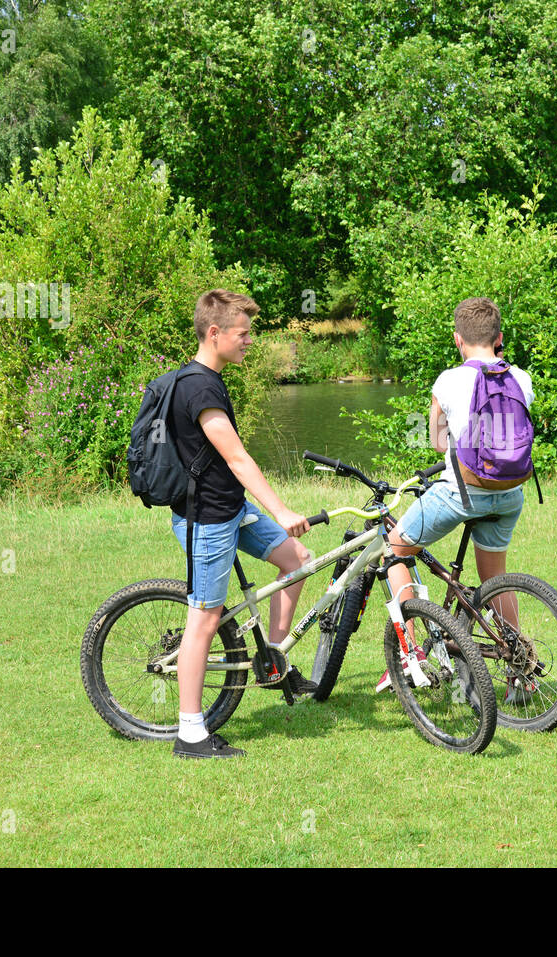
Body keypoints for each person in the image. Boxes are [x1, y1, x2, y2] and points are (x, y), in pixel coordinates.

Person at [167, 289, 316, 759]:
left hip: (231, 509)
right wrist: (283, 510)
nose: (250, 341)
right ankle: (190, 733)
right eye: (243, 333)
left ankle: (273, 659)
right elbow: (237, 458)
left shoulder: (209, 378)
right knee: (205, 618)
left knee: (297, 561)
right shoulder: (199, 387)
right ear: (215, 334)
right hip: (207, 520)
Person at [382, 297, 534, 702]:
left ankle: (410, 653)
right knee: (495, 579)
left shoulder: (448, 381)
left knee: (394, 548)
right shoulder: (521, 377)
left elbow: (436, 443)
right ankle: (520, 671)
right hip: (510, 494)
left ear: (458, 340)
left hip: (462, 493)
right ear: (499, 338)